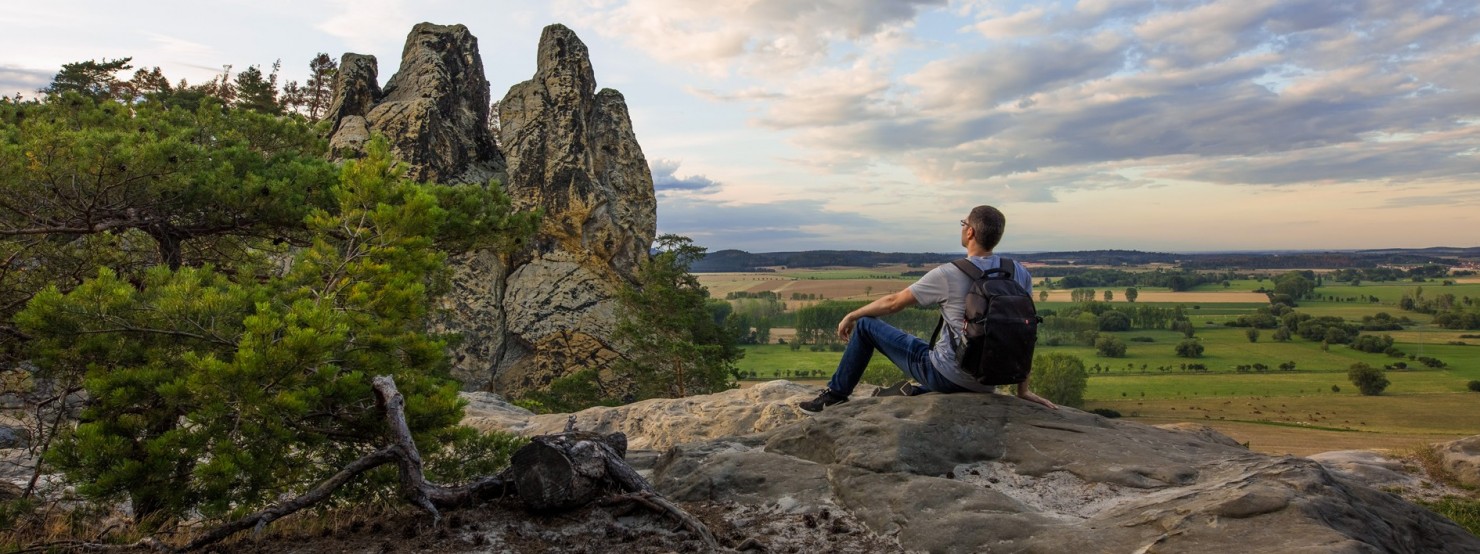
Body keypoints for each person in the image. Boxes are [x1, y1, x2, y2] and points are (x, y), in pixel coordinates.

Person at [797, 205, 1058, 413]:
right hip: (989, 381)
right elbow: (1024, 332)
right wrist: (1022, 390)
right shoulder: (1019, 273)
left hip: (949, 376)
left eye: (964, 223)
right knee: (926, 346)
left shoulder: (949, 274)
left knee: (866, 325)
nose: (963, 227)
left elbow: (892, 303)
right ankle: (920, 391)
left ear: (970, 233)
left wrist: (853, 315)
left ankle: (835, 395)